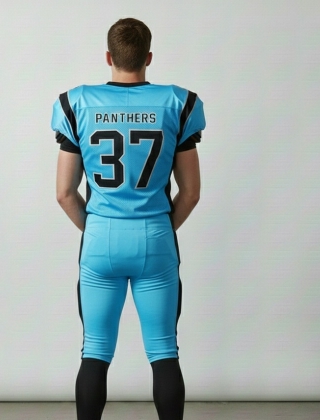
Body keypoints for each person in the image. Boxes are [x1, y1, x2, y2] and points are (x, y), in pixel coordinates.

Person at [51, 17, 206, 420]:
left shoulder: (78, 103)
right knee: (164, 351)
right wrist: (157, 230)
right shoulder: (176, 103)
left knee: (95, 351)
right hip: (155, 236)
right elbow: (190, 192)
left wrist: (100, 229)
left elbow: (65, 193)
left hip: (100, 238)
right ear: (148, 57)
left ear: (109, 57)